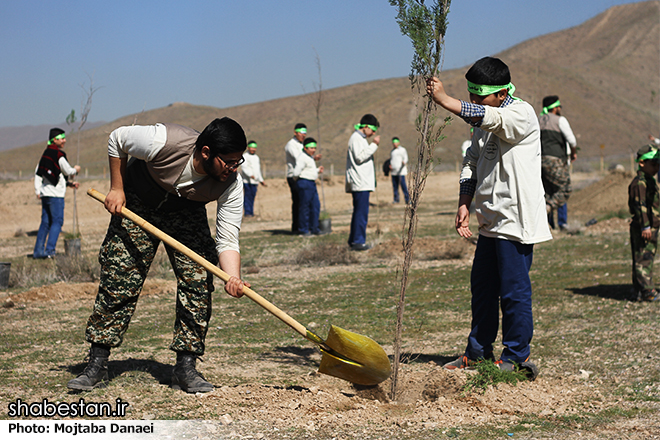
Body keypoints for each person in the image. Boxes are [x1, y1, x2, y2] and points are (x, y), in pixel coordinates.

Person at [67, 118, 249, 394]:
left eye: (239, 161)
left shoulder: (231, 183)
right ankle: (97, 363)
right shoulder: (165, 140)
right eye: (229, 161)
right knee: (119, 279)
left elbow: (227, 238)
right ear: (206, 152)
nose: (233, 168)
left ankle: (185, 368)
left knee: (198, 282)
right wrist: (117, 187)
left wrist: (232, 277)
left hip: (186, 212)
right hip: (138, 203)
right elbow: (117, 138)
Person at [426, 56, 552, 378]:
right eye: (470, 95)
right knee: (482, 289)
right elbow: (471, 161)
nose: (474, 102)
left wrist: (444, 101)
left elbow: (487, 116)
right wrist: (464, 202)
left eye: (479, 96)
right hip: (490, 221)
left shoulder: (520, 114)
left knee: (513, 291)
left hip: (515, 220)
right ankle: (478, 352)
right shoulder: (482, 123)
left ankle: (515, 357)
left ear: (500, 93)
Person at [33, 128, 81, 259]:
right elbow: (67, 171)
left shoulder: (45, 154)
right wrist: (75, 170)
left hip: (45, 194)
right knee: (57, 222)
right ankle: (50, 251)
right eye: (62, 138)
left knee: (45, 222)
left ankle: (38, 252)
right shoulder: (58, 155)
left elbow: (39, 174)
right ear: (55, 139)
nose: (64, 140)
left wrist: (38, 190)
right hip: (56, 196)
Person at [539, 95, 578, 230]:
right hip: (556, 161)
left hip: (539, 161)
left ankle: (548, 225)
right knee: (564, 189)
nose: (560, 108)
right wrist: (573, 152)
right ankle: (554, 214)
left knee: (548, 191)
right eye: (559, 106)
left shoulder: (538, 120)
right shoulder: (560, 120)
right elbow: (572, 140)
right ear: (555, 108)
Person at [628, 144, 660, 302]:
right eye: (653, 164)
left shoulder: (648, 181)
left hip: (650, 226)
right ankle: (647, 291)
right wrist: (646, 226)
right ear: (642, 163)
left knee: (644, 257)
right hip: (644, 227)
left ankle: (638, 291)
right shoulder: (640, 183)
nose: (657, 167)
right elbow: (640, 206)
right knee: (643, 258)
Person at [345, 114, 380, 251]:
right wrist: (374, 146)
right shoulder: (356, 139)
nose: (374, 133)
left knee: (359, 212)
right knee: (361, 213)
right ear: (365, 127)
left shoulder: (360, 139)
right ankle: (358, 241)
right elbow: (360, 157)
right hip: (360, 183)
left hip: (362, 182)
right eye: (372, 129)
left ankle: (354, 240)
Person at [293, 137, 324, 236]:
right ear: (305, 148)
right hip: (304, 183)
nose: (313, 150)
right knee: (305, 207)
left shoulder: (310, 158)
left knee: (315, 206)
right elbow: (296, 172)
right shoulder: (302, 157)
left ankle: (314, 228)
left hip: (312, 183)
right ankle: (303, 229)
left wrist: (318, 170)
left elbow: (309, 170)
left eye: (314, 148)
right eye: (311, 148)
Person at [285, 123, 307, 234]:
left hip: (302, 176)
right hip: (293, 177)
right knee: (298, 202)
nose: (303, 135)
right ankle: (296, 227)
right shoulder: (291, 145)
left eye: (305, 133)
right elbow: (299, 159)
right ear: (295, 133)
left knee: (303, 201)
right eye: (301, 133)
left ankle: (302, 225)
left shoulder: (302, 145)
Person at [240, 140, 266, 217]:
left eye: (254, 148)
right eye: (252, 148)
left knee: (252, 197)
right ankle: (247, 212)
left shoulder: (256, 157)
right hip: (247, 181)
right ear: (248, 148)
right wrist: (250, 175)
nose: (253, 149)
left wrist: (261, 180)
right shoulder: (245, 156)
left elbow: (258, 170)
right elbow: (244, 168)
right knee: (247, 196)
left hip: (255, 182)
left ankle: (251, 212)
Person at [389, 137, 410, 204]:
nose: (394, 144)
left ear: (398, 142)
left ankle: (407, 199)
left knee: (403, 185)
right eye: (393, 142)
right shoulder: (392, 151)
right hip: (394, 172)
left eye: (396, 142)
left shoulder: (402, 150)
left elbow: (405, 158)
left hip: (401, 171)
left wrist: (404, 162)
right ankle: (396, 199)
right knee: (395, 186)